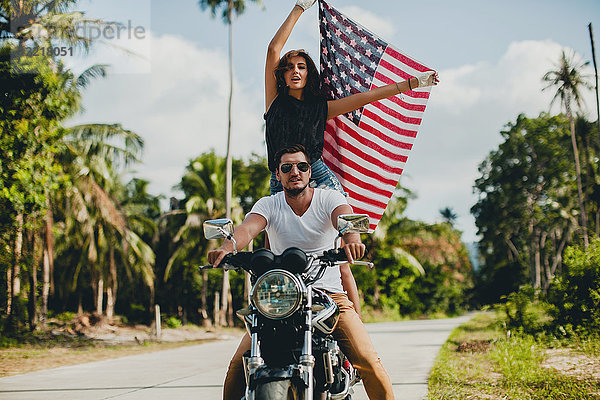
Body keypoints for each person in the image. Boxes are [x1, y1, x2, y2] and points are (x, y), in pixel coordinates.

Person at [208, 144, 396, 400]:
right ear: (278, 174)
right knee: (238, 368)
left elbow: (344, 219)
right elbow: (248, 229)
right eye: (287, 168)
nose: (294, 171)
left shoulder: (328, 198)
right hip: (280, 297)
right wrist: (226, 247)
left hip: (328, 296)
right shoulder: (269, 205)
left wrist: (351, 239)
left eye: (301, 166)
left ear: (310, 172)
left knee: (368, 361)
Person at [265, 0, 439, 195]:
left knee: (341, 218)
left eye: (301, 67)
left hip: (316, 174)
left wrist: (413, 83)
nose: (295, 71)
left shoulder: (320, 108)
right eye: (289, 67)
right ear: (282, 75)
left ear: (308, 74)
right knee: (281, 224)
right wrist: (300, 7)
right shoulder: (274, 101)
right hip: (282, 176)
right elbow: (273, 49)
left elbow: (367, 97)